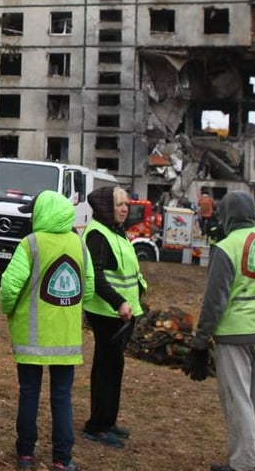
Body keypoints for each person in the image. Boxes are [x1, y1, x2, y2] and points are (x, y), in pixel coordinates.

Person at [186, 190, 255, 471]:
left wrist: (200, 342)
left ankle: (243, 465)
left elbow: (214, 301)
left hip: (233, 335)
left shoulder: (226, 247)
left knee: (239, 402)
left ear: (226, 216)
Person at [0, 190, 94, 471]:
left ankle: (26, 455)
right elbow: (86, 290)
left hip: (31, 338)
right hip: (66, 341)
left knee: (29, 393)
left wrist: (10, 309)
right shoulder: (79, 244)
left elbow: (9, 288)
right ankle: (62, 460)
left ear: (40, 214)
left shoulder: (30, 244)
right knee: (62, 398)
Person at [80, 186, 145, 448]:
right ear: (106, 207)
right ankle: (96, 425)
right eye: (118, 204)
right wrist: (119, 303)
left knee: (113, 366)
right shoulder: (97, 234)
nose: (124, 208)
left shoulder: (116, 232)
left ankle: (108, 420)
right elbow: (95, 276)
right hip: (106, 312)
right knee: (107, 368)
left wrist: (138, 294)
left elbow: (126, 271)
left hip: (120, 312)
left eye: (125, 204)